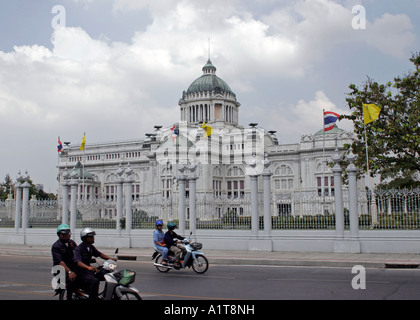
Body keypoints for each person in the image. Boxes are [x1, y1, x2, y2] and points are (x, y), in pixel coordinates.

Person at [73, 227, 116, 300]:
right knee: (94, 281)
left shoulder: (91, 247)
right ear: (86, 238)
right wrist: (89, 267)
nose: (93, 238)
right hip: (81, 272)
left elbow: (100, 254)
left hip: (88, 271)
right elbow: (78, 263)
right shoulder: (79, 249)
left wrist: (111, 259)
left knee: (107, 275)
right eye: (91, 237)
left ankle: (105, 295)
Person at [51, 224, 78, 300]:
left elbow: (77, 254)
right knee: (71, 281)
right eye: (63, 234)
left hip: (71, 267)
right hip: (61, 270)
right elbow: (60, 262)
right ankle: (69, 297)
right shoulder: (56, 246)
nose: (65, 235)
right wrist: (69, 272)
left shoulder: (72, 243)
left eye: (67, 233)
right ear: (59, 235)